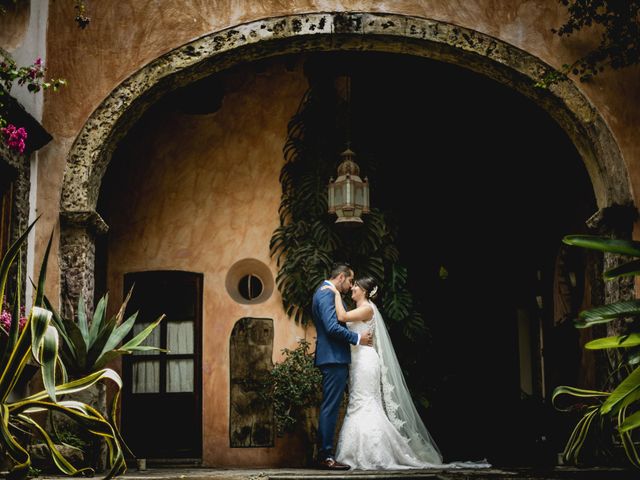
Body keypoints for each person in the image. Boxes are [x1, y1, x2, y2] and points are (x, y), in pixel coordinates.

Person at [322, 276, 491, 470]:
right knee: (358, 402)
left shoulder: (367, 308)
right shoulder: (360, 309)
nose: (352, 288)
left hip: (366, 362)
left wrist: (334, 292)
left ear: (365, 291)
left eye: (356, 286)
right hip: (357, 362)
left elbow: (342, 317)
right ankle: (357, 451)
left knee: (364, 402)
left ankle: (373, 453)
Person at [311, 263, 373, 470]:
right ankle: (326, 456)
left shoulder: (325, 292)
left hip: (333, 357)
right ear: (340, 277)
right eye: (349, 280)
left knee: (330, 406)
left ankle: (325, 454)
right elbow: (331, 327)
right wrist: (357, 338)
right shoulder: (327, 294)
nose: (350, 285)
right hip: (334, 358)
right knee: (330, 407)